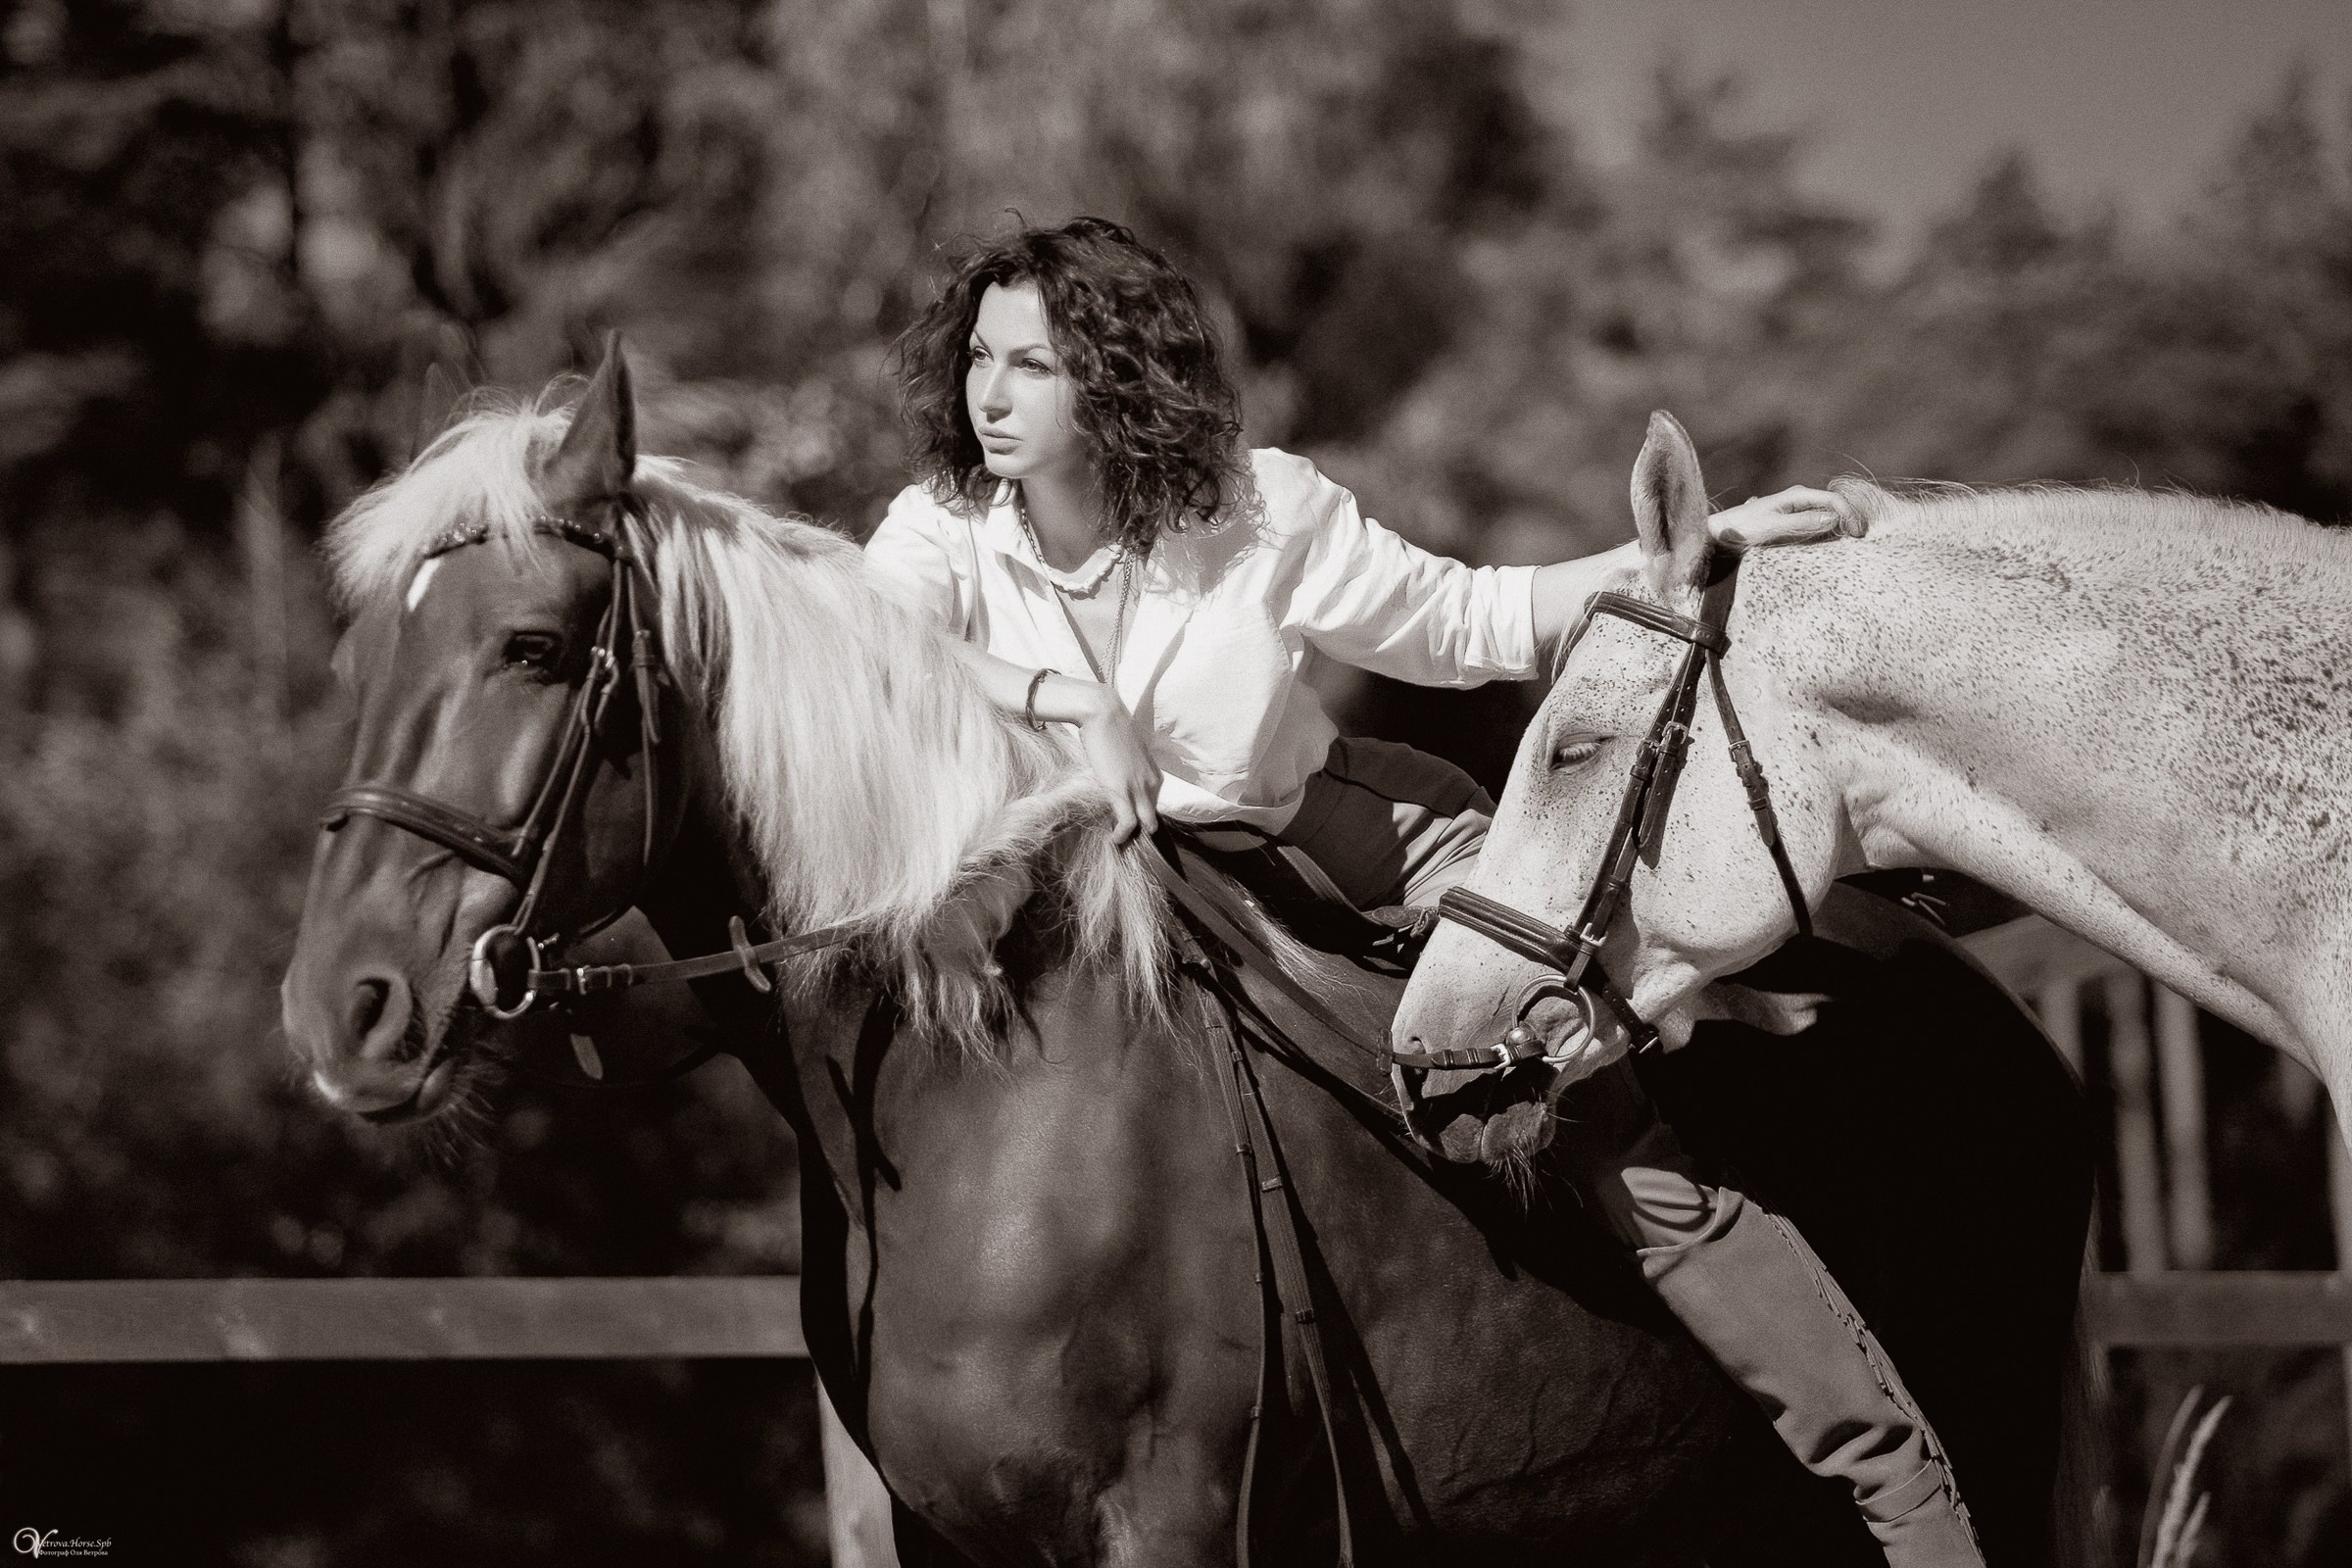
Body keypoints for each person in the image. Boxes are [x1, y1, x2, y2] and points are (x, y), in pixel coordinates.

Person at [864, 216, 1982, 1567]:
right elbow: (881, 649)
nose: (990, 394)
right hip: (1070, 900)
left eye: (1030, 363)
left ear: (1107, 373)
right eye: (980, 358)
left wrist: (1696, 545)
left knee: (1600, 1123)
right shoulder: (937, 533)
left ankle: (1899, 1487)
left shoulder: (1254, 505)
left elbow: (1472, 625)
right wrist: (1062, 700)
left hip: (1331, 838)